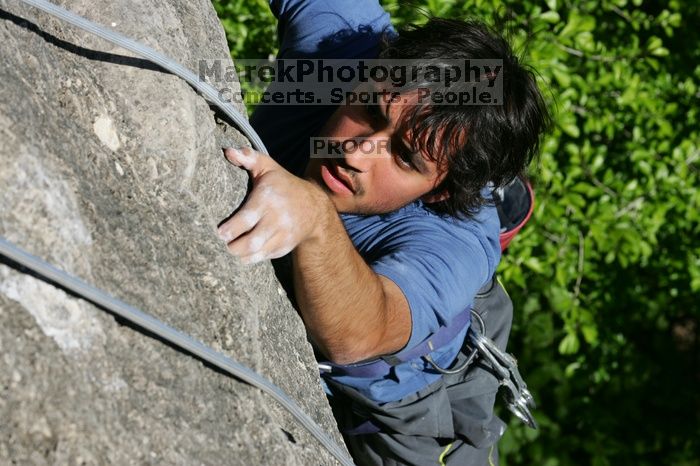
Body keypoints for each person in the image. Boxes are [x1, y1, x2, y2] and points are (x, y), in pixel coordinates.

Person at [216, 1, 549, 464]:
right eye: (370, 109)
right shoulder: (346, 53)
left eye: (404, 157)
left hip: (397, 407)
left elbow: (362, 334)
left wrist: (314, 217)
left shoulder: (454, 241)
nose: (355, 153)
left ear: (438, 192)